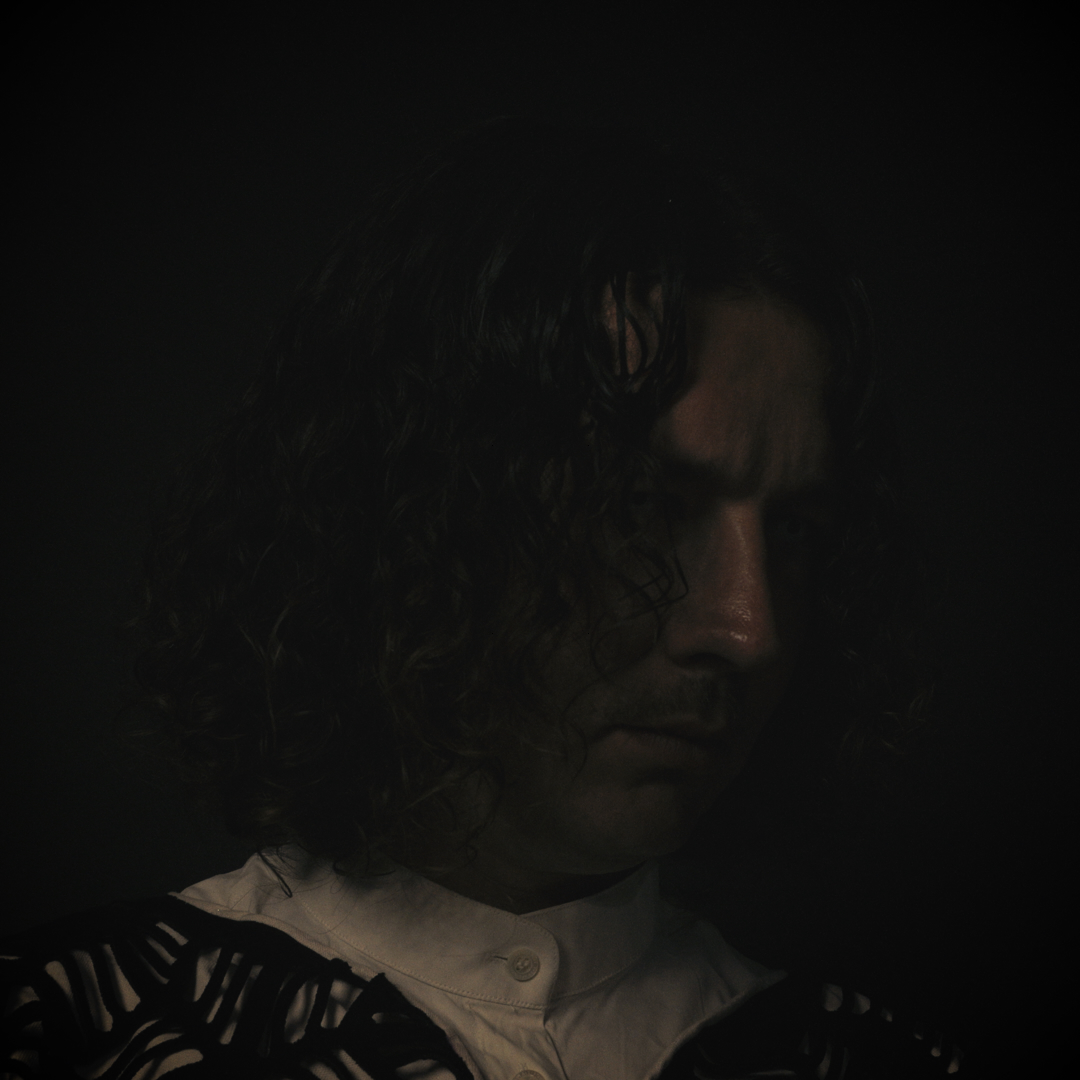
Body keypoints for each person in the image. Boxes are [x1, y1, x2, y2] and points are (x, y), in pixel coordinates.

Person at [2, 118, 976, 1078]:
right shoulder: (73, 1030)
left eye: (794, 532)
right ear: (418, 509)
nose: (747, 628)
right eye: (644, 506)